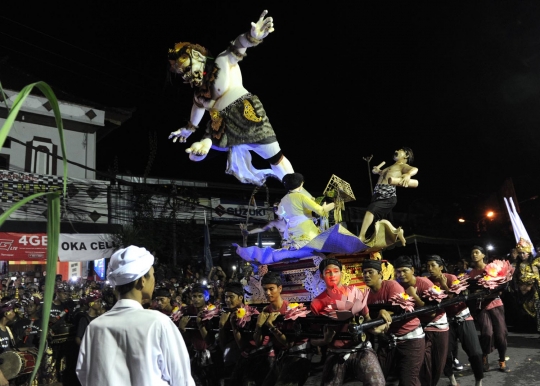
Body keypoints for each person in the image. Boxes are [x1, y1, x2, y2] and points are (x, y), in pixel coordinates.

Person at [167, 10, 294, 186]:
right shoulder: (199, 93)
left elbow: (237, 46)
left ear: (196, 56)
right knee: (193, 157)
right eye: (181, 74)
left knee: (276, 159)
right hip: (221, 126)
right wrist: (189, 128)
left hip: (246, 115)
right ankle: (205, 143)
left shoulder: (221, 62)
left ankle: (296, 192)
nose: (185, 76)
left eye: (186, 69)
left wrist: (252, 36)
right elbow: (197, 108)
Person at [76, 245, 194, 386]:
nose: (154, 281)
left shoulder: (95, 327)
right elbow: (181, 379)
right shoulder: (158, 322)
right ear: (141, 281)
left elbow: (84, 375)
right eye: (153, 275)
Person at [309, 258, 387, 386]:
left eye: (336, 271)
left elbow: (367, 320)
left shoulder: (355, 293)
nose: (332, 275)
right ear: (321, 276)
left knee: (378, 383)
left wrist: (379, 325)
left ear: (341, 273)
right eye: (328, 272)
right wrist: (325, 340)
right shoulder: (317, 303)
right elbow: (312, 339)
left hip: (361, 349)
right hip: (336, 353)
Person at [362, 259, 425, 386]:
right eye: (364, 273)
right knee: (374, 379)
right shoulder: (367, 295)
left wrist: (385, 312)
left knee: (408, 381)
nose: (366, 275)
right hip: (389, 340)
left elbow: (400, 309)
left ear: (380, 274)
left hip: (410, 338)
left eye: (370, 272)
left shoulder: (391, 285)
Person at [426, 254, 484, 386]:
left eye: (433, 265)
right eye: (428, 266)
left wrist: (444, 284)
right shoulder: (427, 282)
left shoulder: (451, 278)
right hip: (445, 321)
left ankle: (478, 381)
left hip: (462, 316)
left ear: (440, 267)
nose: (430, 268)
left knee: (475, 351)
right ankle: (452, 380)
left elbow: (453, 298)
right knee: (445, 353)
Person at [393, 256, 449, 386]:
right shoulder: (398, 285)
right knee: (422, 366)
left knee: (437, 365)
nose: (401, 274)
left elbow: (432, 313)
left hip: (437, 325)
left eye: (404, 271)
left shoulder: (424, 283)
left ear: (412, 270)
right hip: (419, 329)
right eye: (398, 271)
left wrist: (414, 296)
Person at [253, 272, 312, 386]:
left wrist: (271, 325)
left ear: (280, 288)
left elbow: (288, 343)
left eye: (271, 289)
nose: (267, 293)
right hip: (282, 356)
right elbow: (258, 342)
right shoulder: (266, 311)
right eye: (265, 289)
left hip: (299, 355)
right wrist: (258, 326)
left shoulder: (291, 310)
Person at [359, 148, 417, 244]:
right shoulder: (392, 167)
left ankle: (361, 236)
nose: (396, 150)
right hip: (377, 194)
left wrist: (408, 175)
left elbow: (414, 169)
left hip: (387, 195)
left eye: (400, 150)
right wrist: (378, 171)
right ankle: (396, 231)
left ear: (406, 156)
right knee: (378, 221)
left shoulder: (403, 166)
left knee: (371, 210)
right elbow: (384, 175)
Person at [469, 245, 510, 373]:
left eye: (476, 252)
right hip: (481, 305)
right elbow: (470, 290)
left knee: (501, 333)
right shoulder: (470, 273)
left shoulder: (493, 268)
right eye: (472, 253)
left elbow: (503, 283)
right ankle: (484, 356)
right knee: (486, 333)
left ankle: (502, 359)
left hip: (495, 303)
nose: (474, 255)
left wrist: (496, 288)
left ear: (483, 255)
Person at [277, 173, 335, 249]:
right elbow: (320, 210)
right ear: (301, 184)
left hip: (291, 228)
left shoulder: (283, 199)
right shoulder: (302, 197)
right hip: (305, 228)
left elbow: (280, 212)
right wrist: (333, 204)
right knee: (314, 250)